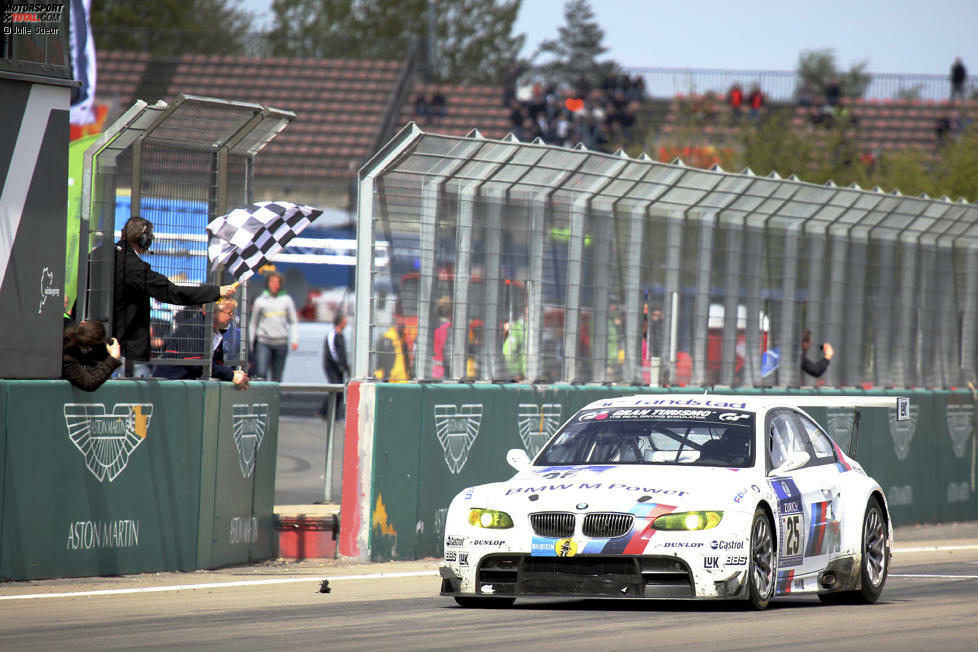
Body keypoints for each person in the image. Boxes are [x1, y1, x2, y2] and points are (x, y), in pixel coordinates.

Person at [106, 216, 237, 372]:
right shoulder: (135, 268)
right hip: (118, 343)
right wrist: (217, 291)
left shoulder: (99, 253)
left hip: (91, 335)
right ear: (144, 240)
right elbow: (174, 293)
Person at [153, 299, 249, 389]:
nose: (232, 317)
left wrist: (234, 375)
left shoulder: (216, 333)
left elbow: (216, 364)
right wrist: (231, 375)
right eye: (229, 313)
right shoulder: (193, 327)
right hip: (169, 385)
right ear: (214, 312)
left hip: (185, 386)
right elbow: (198, 364)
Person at [249, 271, 298, 382]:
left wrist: (294, 339)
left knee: (277, 376)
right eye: (273, 282)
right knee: (261, 373)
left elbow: (293, 321)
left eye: (278, 282)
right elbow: (253, 323)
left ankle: (274, 398)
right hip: (264, 342)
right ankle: (262, 398)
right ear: (268, 283)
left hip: (281, 343)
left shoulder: (287, 300)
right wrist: (251, 342)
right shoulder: (260, 301)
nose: (275, 285)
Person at [62, 320, 122, 391]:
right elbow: (89, 383)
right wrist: (113, 359)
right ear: (86, 348)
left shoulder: (64, 327)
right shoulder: (67, 357)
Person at [319, 312, 350, 417]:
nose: (347, 323)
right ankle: (324, 411)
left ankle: (332, 413)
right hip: (331, 367)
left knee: (340, 391)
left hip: (340, 368)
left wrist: (345, 366)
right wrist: (339, 365)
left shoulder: (341, 336)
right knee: (335, 388)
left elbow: (343, 353)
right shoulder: (332, 335)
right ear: (340, 322)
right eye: (345, 321)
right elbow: (332, 352)